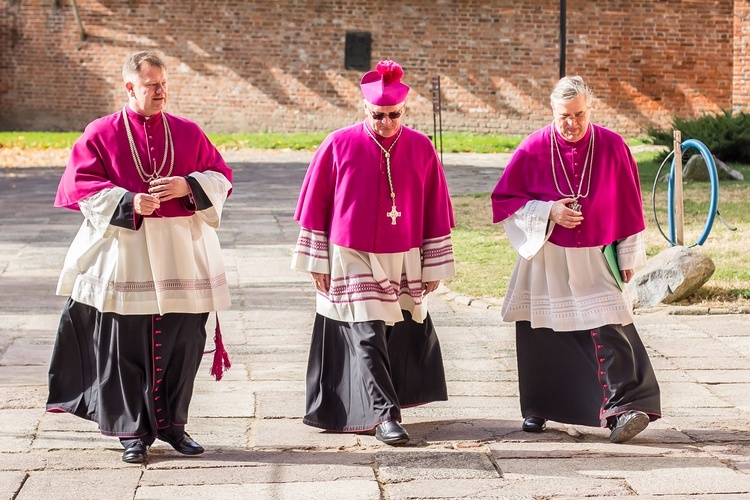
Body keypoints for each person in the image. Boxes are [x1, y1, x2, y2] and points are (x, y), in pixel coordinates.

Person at [46, 50, 233, 463]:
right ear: (130, 87)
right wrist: (128, 201)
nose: (161, 91)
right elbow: (80, 185)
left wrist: (189, 186)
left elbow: (221, 175)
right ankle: (132, 431)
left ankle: (174, 427)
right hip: (126, 251)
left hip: (182, 253)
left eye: (164, 83)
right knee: (124, 345)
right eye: (152, 85)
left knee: (184, 341)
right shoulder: (100, 132)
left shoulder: (187, 131)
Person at [292, 60, 456, 445]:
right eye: (378, 115)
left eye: (393, 115)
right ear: (364, 109)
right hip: (350, 252)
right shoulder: (337, 143)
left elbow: (436, 208)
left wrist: (433, 264)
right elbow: (314, 205)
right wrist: (317, 261)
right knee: (366, 329)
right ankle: (385, 416)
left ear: (405, 110)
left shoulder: (421, 147)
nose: (385, 123)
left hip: (403, 254)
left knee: (389, 329)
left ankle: (372, 406)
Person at [490, 76, 661, 444]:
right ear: (553, 112)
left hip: (593, 254)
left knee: (609, 323)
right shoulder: (533, 147)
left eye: (579, 114)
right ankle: (539, 408)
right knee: (542, 332)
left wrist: (628, 253)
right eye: (564, 116)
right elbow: (503, 201)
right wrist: (548, 211)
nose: (571, 123)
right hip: (547, 255)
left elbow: (630, 206)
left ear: (589, 109)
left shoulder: (613, 146)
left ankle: (624, 409)